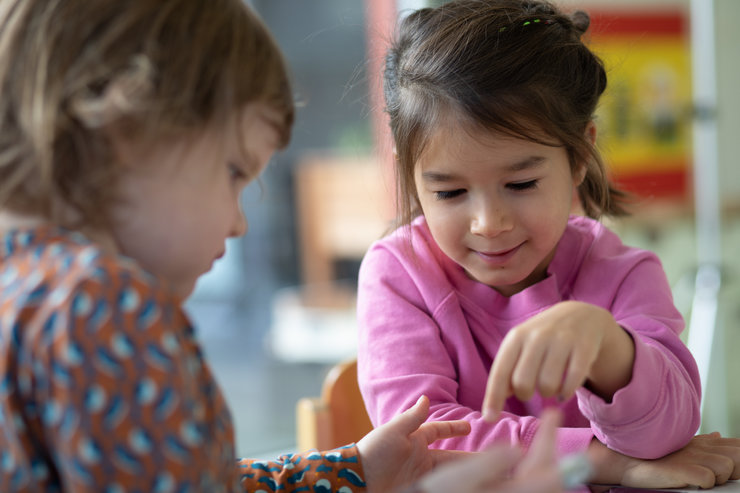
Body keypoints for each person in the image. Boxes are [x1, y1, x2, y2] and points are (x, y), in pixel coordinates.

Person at [0, 0, 573, 492]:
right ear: (125, 130)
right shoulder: (102, 306)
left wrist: (355, 473)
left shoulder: (20, 283)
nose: (237, 222)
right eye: (232, 173)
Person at [356, 0, 740, 488]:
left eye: (520, 185)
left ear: (580, 155)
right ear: (409, 174)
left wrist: (607, 346)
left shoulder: (622, 271)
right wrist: (605, 461)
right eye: (449, 192)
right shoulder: (399, 275)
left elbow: (668, 432)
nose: (488, 223)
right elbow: (424, 443)